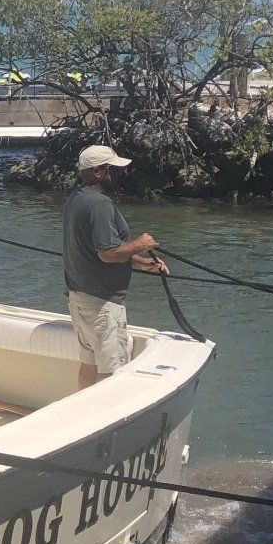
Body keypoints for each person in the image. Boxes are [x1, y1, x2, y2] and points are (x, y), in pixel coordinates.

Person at [62, 144, 167, 389]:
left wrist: (144, 264)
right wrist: (141, 244)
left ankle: (84, 415)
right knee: (111, 374)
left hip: (79, 299)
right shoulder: (101, 205)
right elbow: (107, 254)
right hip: (102, 305)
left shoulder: (76, 199)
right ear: (98, 172)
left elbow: (93, 250)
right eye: (115, 170)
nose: (121, 174)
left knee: (89, 365)